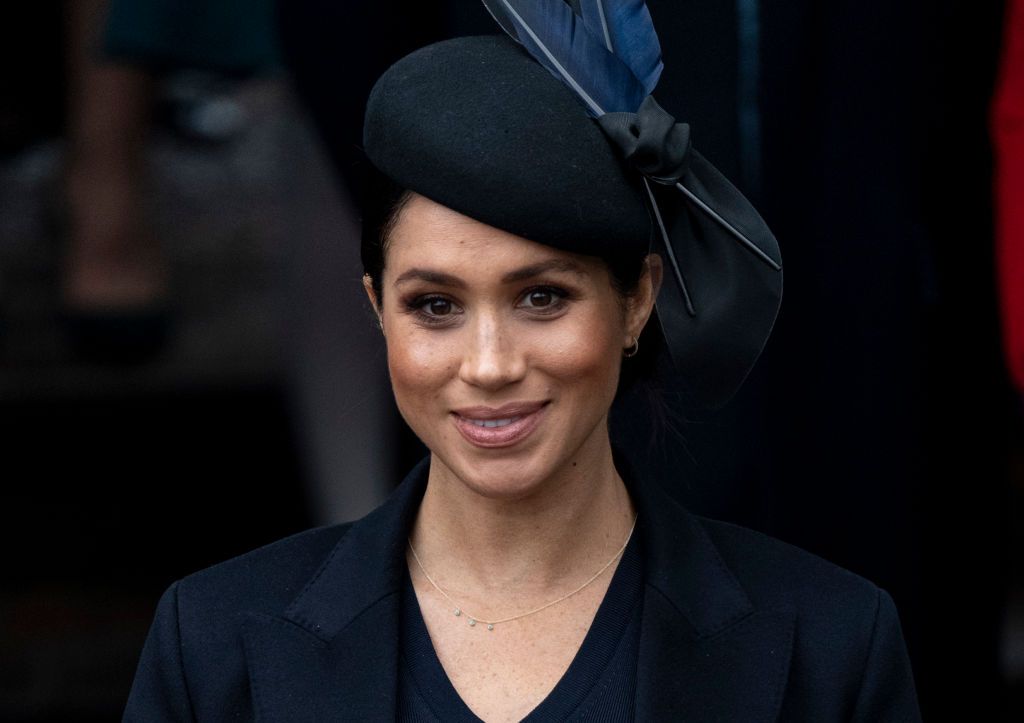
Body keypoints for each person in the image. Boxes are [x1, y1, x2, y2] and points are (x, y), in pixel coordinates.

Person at [124, 2, 920, 720]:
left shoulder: (832, 650)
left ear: (638, 299)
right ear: (376, 308)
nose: (490, 362)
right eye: (434, 305)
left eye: (542, 297)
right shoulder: (215, 649)